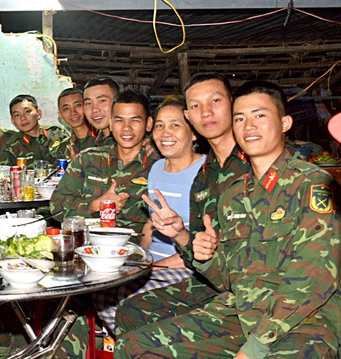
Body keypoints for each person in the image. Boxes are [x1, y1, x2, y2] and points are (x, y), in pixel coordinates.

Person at [117, 81, 341, 359]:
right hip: (242, 312)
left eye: (260, 115)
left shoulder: (313, 184)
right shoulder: (234, 195)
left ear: (285, 123)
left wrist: (255, 348)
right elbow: (227, 278)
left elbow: (315, 276)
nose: (249, 126)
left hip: (304, 323)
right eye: (240, 119)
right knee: (132, 347)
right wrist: (203, 253)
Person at [114, 73, 250, 335]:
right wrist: (147, 252)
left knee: (129, 306)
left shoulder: (241, 166)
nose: (206, 112)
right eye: (196, 105)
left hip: (223, 284)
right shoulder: (203, 172)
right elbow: (174, 233)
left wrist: (150, 267)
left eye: (215, 101)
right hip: (202, 271)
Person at [92, 98, 206, 334]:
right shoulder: (156, 168)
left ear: (194, 133)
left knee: (129, 300)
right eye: (160, 125)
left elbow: (206, 242)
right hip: (152, 263)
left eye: (175, 125)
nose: (165, 133)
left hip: (188, 267)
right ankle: (132, 344)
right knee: (101, 291)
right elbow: (149, 223)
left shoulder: (206, 171)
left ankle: (138, 343)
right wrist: (140, 257)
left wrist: (151, 268)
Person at [50, 90, 160, 231]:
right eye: (119, 120)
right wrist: (96, 205)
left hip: (138, 243)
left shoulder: (159, 166)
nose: (126, 128)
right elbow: (57, 208)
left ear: (148, 124)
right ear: (111, 123)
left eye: (135, 120)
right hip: (89, 242)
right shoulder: (87, 159)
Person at [4, 94, 67, 166]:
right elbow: (4, 171)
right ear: (13, 121)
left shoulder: (57, 133)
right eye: (17, 115)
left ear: (39, 113)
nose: (23, 118)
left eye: (27, 111)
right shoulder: (11, 146)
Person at [52, 87, 98, 160]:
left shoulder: (102, 138)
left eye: (77, 105)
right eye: (66, 109)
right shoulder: (64, 148)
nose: (73, 112)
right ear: (60, 115)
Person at [83, 77, 120, 147]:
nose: (94, 109)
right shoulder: (93, 143)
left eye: (102, 101)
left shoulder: (132, 141)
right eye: (88, 103)